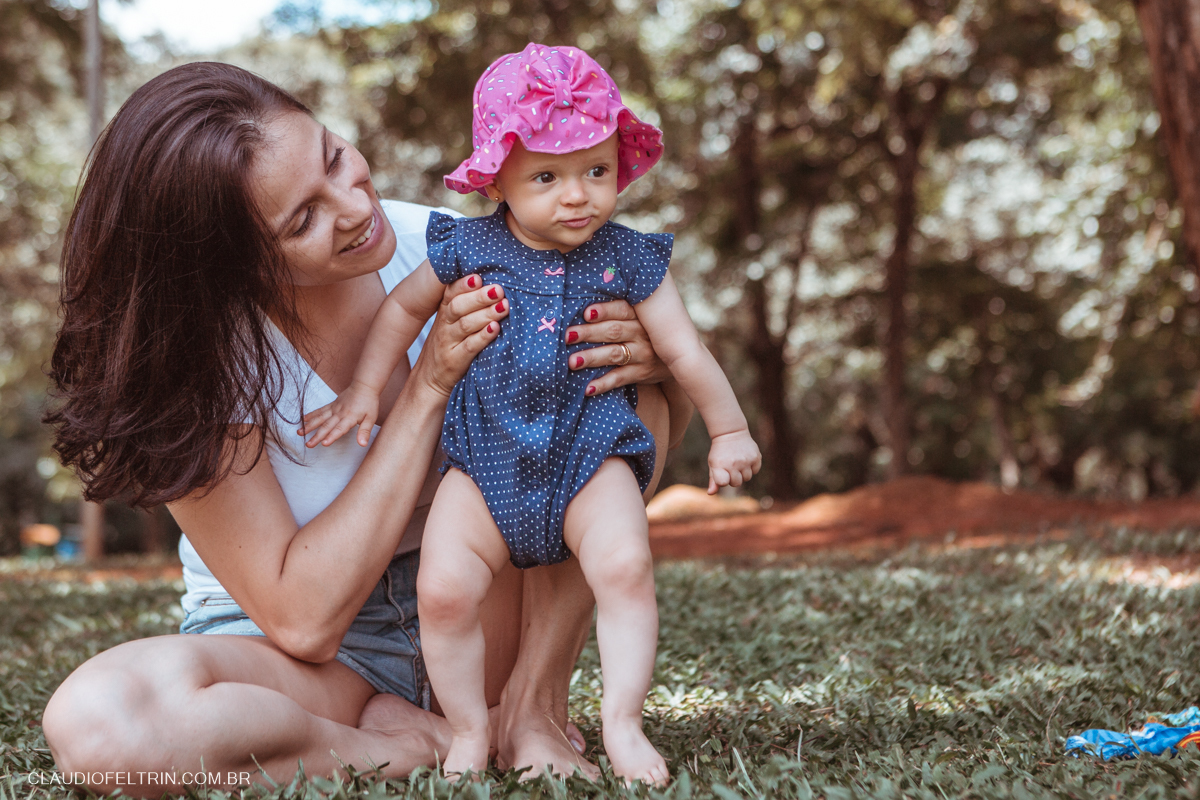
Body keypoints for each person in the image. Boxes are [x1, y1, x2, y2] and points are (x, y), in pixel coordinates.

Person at [38, 61, 693, 796]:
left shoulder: (454, 247)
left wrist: (650, 362)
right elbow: (303, 622)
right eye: (303, 219)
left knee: (632, 405)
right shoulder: (189, 362)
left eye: (334, 157)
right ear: (230, 268)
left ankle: (530, 707)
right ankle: (403, 743)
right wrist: (426, 388)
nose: (354, 206)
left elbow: (651, 425)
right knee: (105, 731)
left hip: (484, 596)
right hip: (314, 660)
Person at [300, 44, 761, 784]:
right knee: (445, 590)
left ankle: (621, 724)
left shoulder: (631, 259)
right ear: (500, 179)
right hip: (485, 463)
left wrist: (730, 429)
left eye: (597, 171)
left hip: (590, 456)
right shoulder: (468, 245)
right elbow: (398, 313)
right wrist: (363, 390)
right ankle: (470, 731)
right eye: (547, 176)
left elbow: (686, 351)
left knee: (625, 565)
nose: (576, 196)